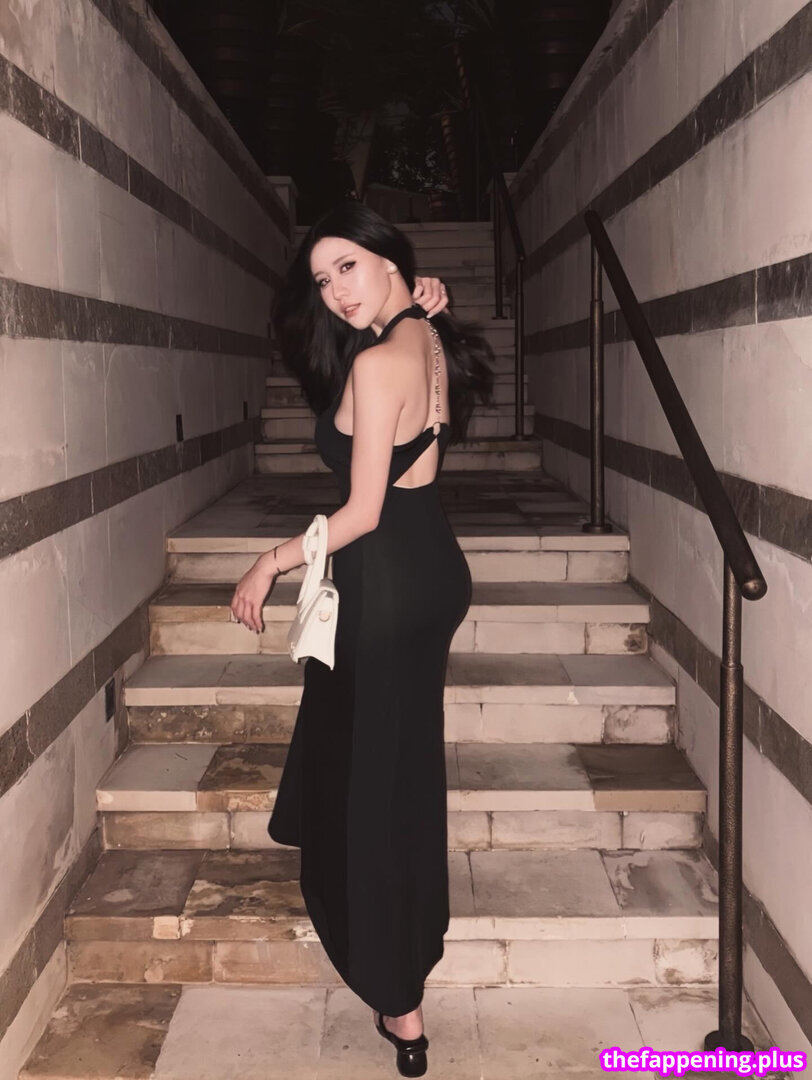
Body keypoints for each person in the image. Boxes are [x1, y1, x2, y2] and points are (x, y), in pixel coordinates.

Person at [230, 200, 494, 1076]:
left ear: (387, 258)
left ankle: (400, 1002)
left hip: (385, 582)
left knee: (375, 786)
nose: (336, 290)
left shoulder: (383, 361)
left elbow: (363, 511)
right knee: (393, 772)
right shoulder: (425, 337)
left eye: (348, 265)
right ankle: (403, 946)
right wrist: (419, 299)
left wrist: (270, 562)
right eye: (322, 278)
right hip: (425, 570)